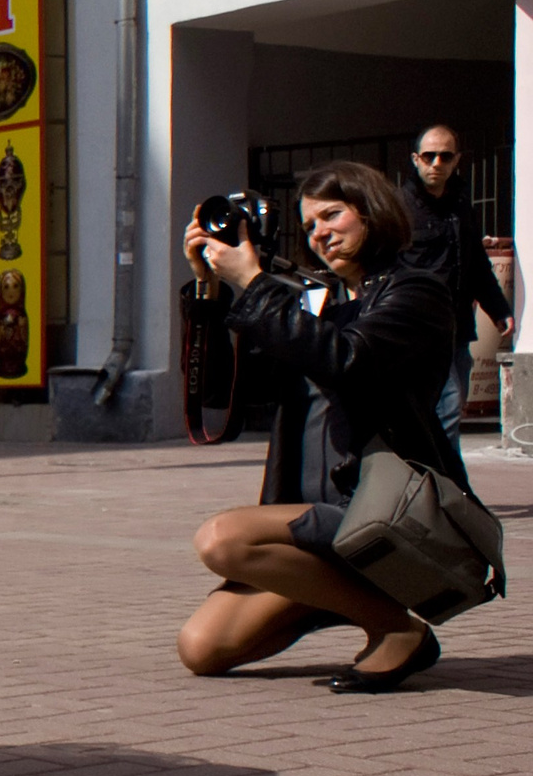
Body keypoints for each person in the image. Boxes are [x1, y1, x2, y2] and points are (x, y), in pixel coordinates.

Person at [179, 159, 460, 693]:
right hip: (309, 523)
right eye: (309, 225)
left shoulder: (416, 292)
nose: (320, 233)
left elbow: (346, 360)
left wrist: (254, 283)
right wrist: (209, 292)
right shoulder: (312, 301)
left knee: (221, 539)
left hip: (375, 511)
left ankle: (397, 630)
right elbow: (222, 391)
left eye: (332, 215)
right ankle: (336, 595)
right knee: (201, 649)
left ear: (370, 210)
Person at [398, 124, 513, 440]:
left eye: (445, 156)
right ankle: (446, 471)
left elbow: (476, 264)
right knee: (446, 406)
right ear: (416, 159)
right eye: (429, 156)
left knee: (447, 406)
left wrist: (499, 309)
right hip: (418, 330)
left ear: (456, 160)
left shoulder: (461, 207)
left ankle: (425, 467)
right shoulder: (398, 209)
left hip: (457, 328)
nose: (437, 163)